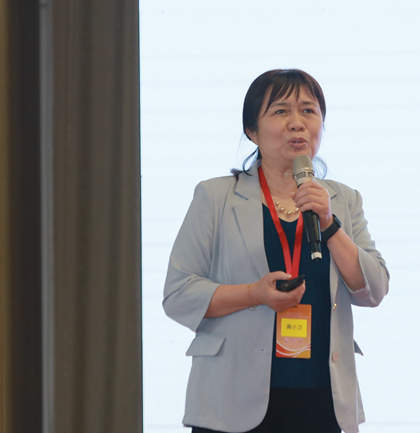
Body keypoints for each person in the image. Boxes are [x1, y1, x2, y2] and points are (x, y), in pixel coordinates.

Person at [163, 69, 389, 433]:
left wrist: (329, 224)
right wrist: (254, 294)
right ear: (252, 131)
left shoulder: (343, 201)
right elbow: (178, 294)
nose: (297, 123)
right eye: (281, 111)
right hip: (231, 399)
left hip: (322, 399)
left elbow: (374, 290)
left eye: (308, 111)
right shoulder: (216, 197)